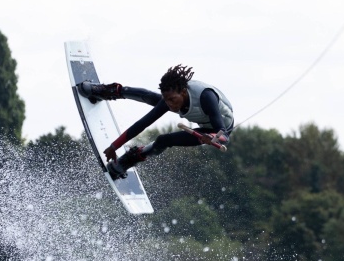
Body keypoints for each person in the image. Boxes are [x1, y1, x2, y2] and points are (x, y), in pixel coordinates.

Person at [77, 64, 234, 180]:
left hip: (216, 129)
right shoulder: (173, 98)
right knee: (148, 96)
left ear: (184, 92)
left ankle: (130, 159)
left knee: (164, 140)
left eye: (172, 100)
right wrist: (114, 145)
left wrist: (212, 138)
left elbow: (225, 135)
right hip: (204, 124)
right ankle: (104, 91)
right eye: (167, 100)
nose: (170, 105)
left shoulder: (206, 98)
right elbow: (143, 123)